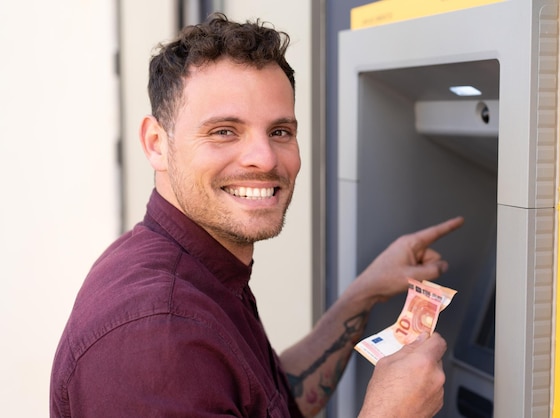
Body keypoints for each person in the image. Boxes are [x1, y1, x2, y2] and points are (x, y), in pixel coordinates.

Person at [50, 12, 464, 418]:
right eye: (224, 131)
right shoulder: (158, 335)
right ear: (156, 142)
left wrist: (365, 293)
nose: (264, 158)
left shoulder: (194, 268)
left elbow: (272, 401)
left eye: (280, 132)